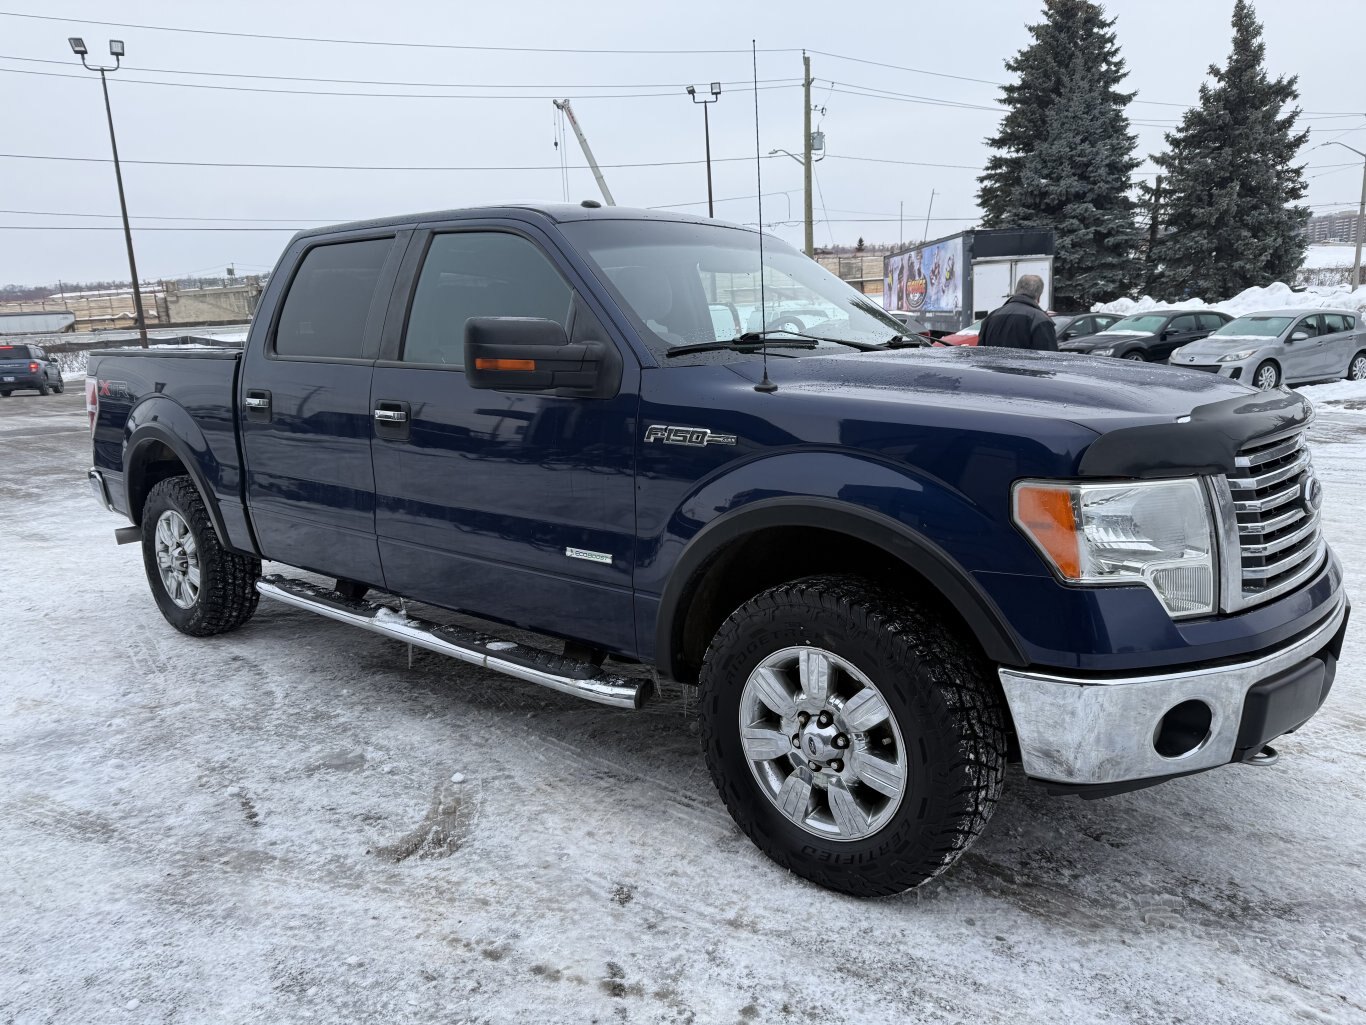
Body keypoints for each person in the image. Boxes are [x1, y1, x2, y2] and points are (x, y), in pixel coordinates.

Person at [976, 275, 1057, 351]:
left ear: (1016, 291)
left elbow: (980, 353)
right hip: (1024, 366)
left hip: (990, 366)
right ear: (1038, 297)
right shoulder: (1039, 319)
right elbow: (1049, 359)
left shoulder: (991, 317)